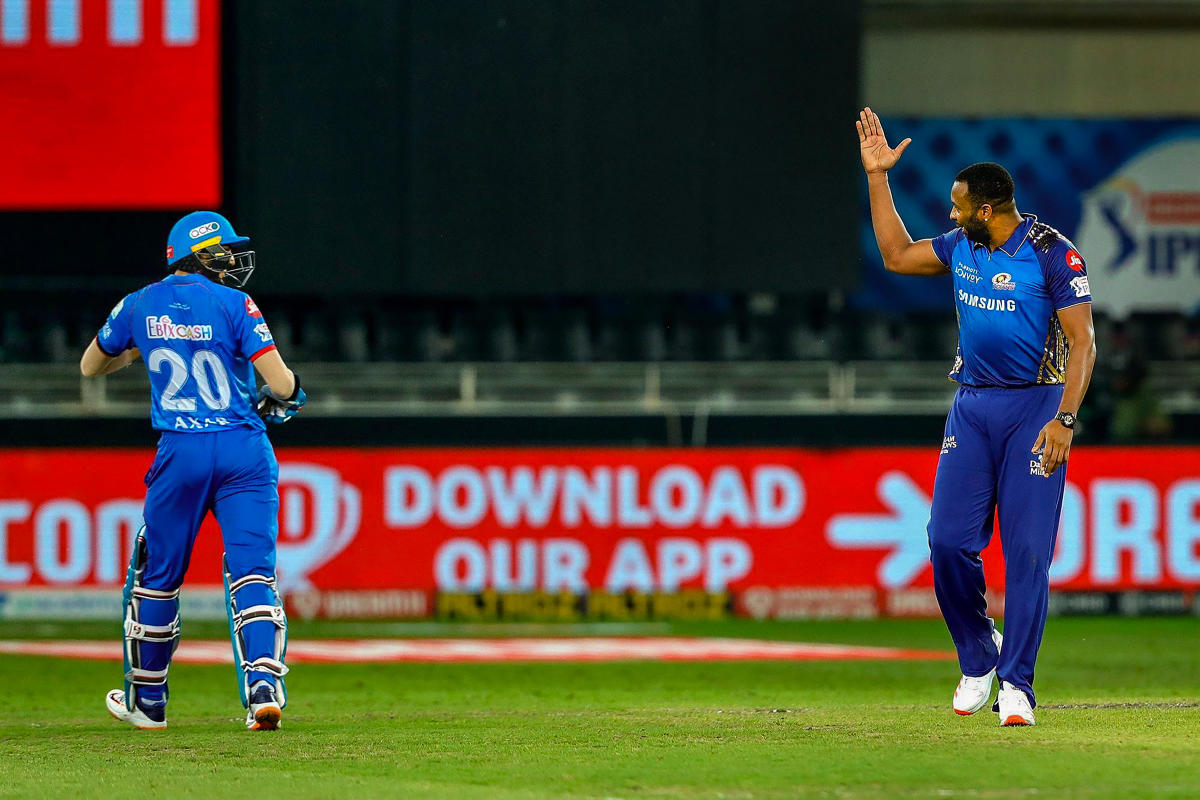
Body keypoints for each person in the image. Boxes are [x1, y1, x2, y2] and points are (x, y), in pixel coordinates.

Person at [856, 108, 1097, 726]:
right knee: (945, 543)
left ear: (987, 208)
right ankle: (978, 653)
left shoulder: (1052, 254)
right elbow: (895, 255)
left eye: (959, 205)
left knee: (1027, 555)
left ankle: (1017, 685)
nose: (952, 213)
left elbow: (1084, 342)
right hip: (972, 406)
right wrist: (878, 177)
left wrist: (1064, 420)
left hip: (1036, 409)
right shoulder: (961, 246)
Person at [80, 211, 306, 731]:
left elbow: (91, 366)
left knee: (157, 578)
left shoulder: (137, 304)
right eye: (223, 251)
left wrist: (142, 348)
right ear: (198, 254)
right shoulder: (235, 303)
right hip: (243, 450)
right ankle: (263, 689)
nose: (231, 260)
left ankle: (149, 704)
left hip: (180, 450)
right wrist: (291, 397)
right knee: (254, 571)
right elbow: (281, 383)